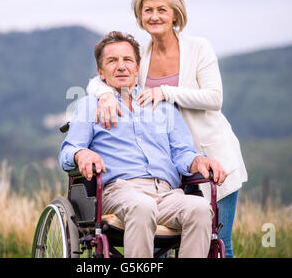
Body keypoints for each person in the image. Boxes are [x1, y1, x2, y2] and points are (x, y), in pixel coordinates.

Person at [86, 0, 248, 258]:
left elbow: (214, 98)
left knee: (219, 240)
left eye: (162, 9)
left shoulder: (199, 48)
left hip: (209, 156)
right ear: (140, 15)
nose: (154, 16)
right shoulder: (142, 56)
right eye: (147, 10)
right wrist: (104, 94)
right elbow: (106, 75)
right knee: (163, 241)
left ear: (176, 13)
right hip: (167, 163)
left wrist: (165, 92)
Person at [59, 31, 227, 258]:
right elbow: (68, 151)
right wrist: (82, 154)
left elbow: (183, 153)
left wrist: (200, 161)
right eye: (112, 61)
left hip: (166, 193)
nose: (121, 67)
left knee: (199, 209)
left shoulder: (163, 108)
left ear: (137, 68)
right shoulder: (90, 105)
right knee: (142, 206)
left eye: (127, 60)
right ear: (101, 72)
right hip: (119, 191)